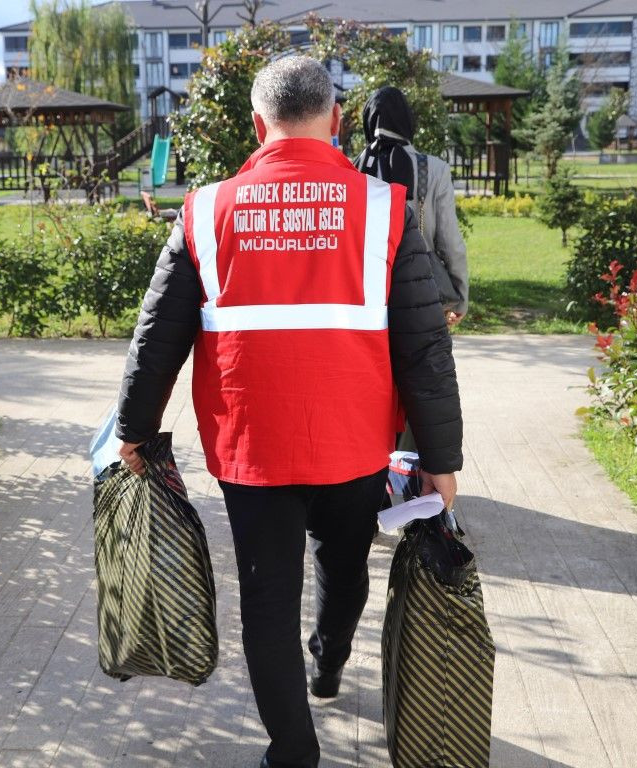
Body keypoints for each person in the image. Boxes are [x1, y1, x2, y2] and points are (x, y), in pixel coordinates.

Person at [114, 56, 463, 768]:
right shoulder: (383, 209)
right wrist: (441, 462)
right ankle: (330, 660)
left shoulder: (206, 210)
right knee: (345, 569)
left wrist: (135, 430)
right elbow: (425, 347)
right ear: (336, 121)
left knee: (265, 602)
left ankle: (293, 753)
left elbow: (158, 336)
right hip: (354, 446)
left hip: (253, 449)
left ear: (255, 123)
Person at [354, 86, 469, 326]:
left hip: (362, 297)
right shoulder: (435, 170)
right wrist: (460, 296)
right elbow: (450, 241)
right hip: (421, 295)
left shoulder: (352, 170)